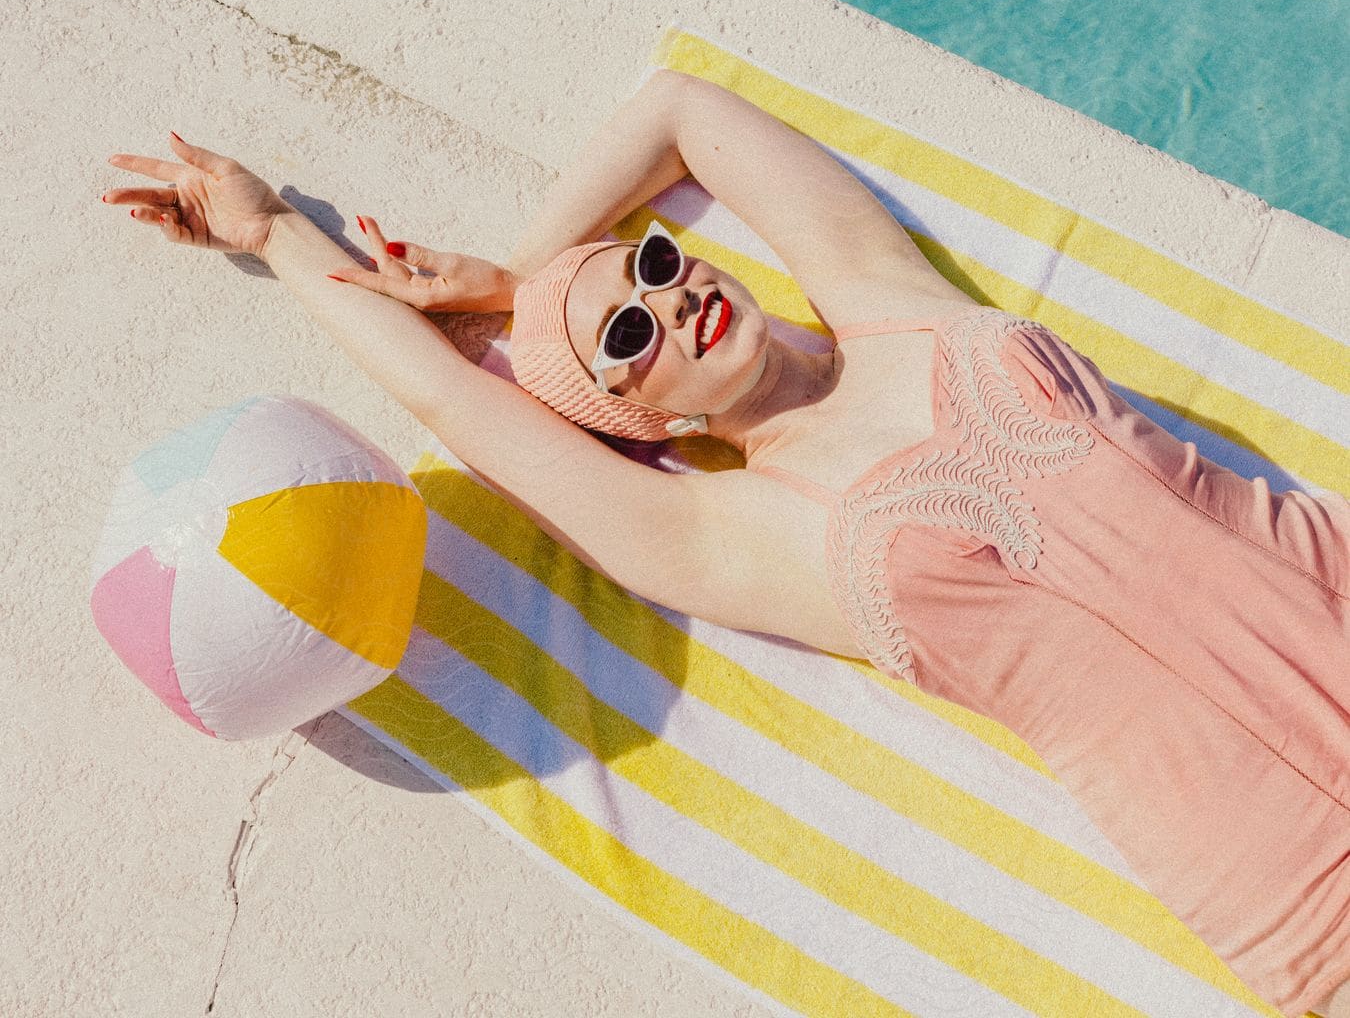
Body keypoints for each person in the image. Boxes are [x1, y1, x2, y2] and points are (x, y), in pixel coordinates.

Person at [102, 67, 1350, 1018]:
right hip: (1288, 862)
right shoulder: (727, 532)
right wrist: (273, 231)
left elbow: (684, 112)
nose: (664, 306)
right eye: (627, 344)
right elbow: (449, 401)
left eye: (649, 267)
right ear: (644, 421)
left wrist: (518, 278)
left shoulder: (892, 305)